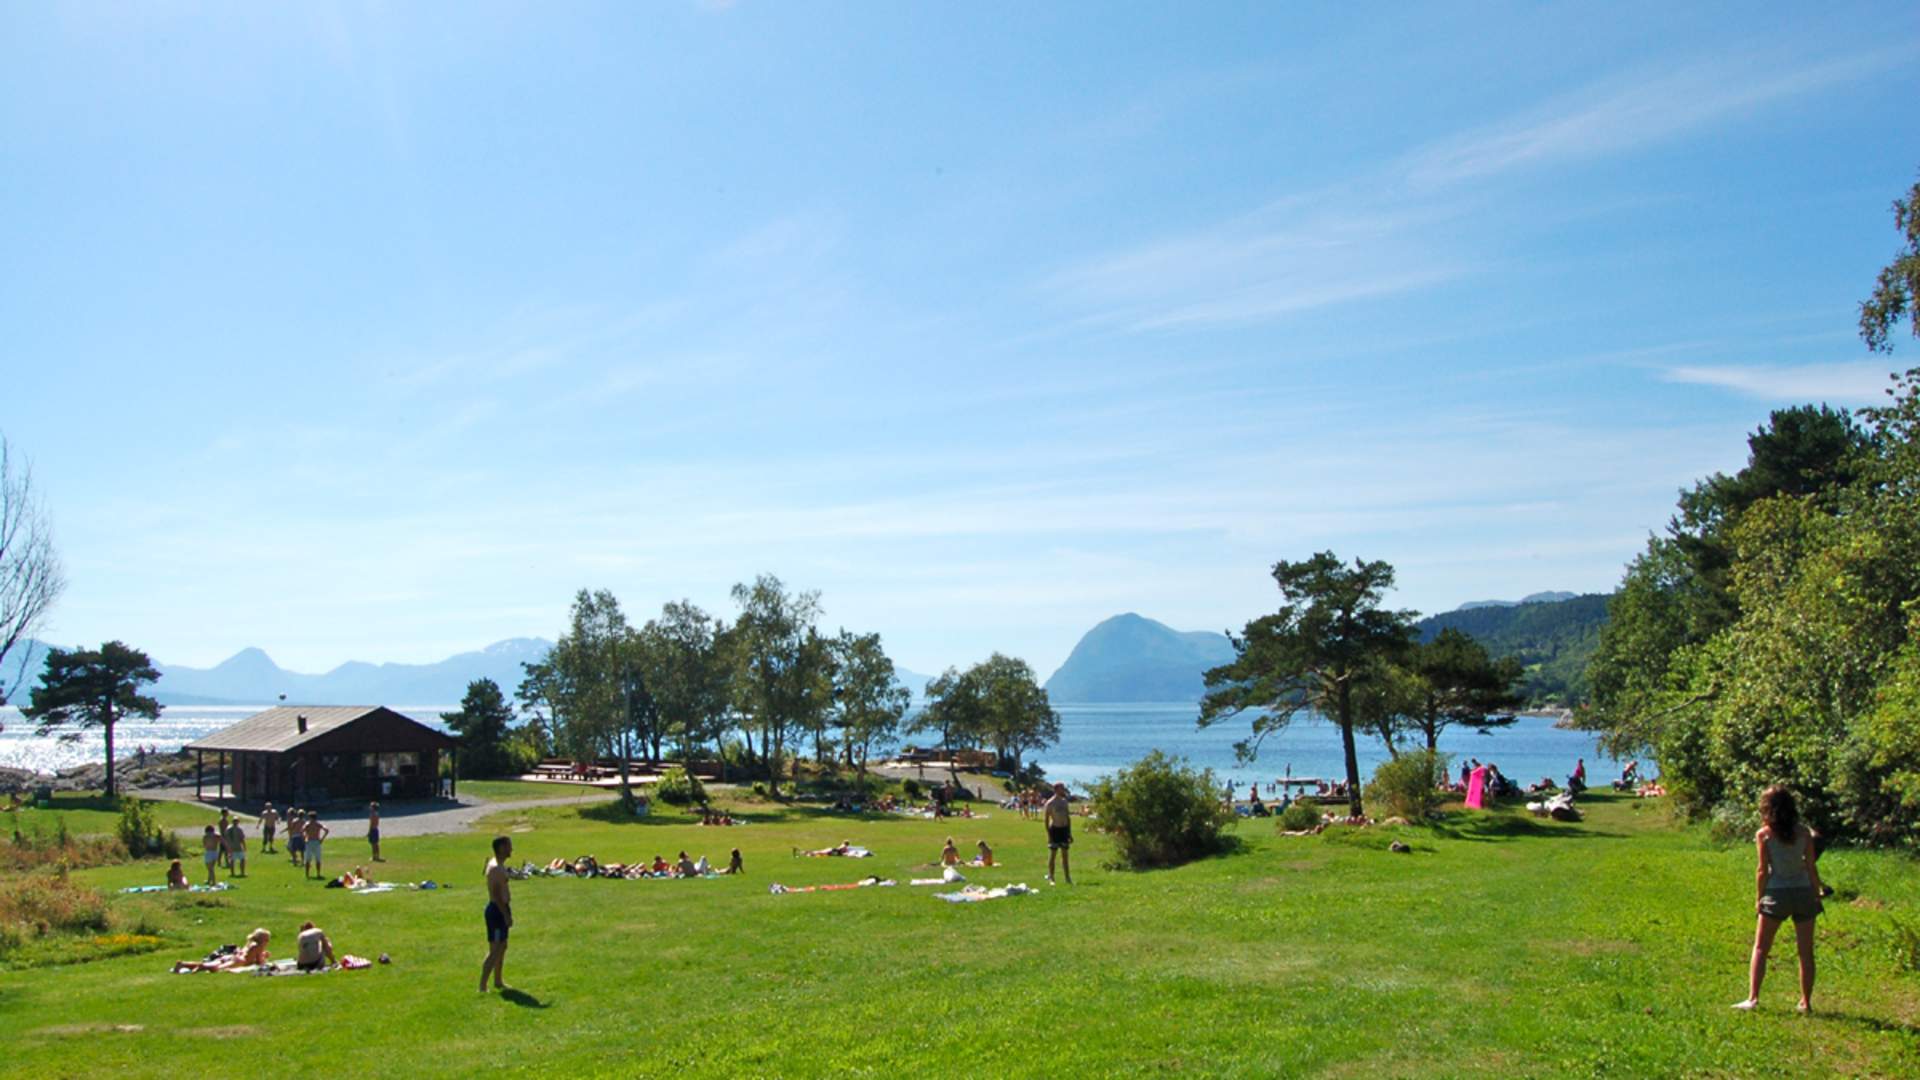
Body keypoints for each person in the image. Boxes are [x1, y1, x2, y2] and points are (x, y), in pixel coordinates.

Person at [1733, 786, 1824, 1013]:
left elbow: (1762, 870)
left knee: (1761, 948)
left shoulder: (1764, 835)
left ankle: (1753, 998)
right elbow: (1811, 867)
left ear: (1767, 809)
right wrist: (1817, 891)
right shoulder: (1805, 833)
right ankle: (1806, 1002)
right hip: (1803, 892)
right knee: (1805, 951)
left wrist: (1759, 898)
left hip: (1777, 893)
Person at [481, 835, 513, 993]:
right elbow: (496, 895)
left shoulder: (497, 865)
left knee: (502, 946)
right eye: (509, 846)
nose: (511, 849)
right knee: (495, 949)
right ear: (501, 848)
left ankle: (498, 981)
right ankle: (482, 986)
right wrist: (505, 914)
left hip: (500, 909)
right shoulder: (496, 868)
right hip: (497, 911)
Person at [1043, 782, 1073, 885]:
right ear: (1056, 790)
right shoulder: (1050, 803)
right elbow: (1046, 820)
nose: (1063, 790)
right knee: (1053, 854)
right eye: (1062, 788)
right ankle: (1051, 877)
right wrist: (1049, 834)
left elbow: (1067, 817)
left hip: (1064, 830)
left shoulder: (1064, 802)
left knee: (1065, 855)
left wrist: (1069, 832)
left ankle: (1067, 877)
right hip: (1055, 830)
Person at [303, 813, 331, 881]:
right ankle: (317, 874)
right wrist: (322, 839)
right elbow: (326, 830)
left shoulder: (308, 824)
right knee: (316, 859)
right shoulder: (318, 824)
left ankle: (308, 874)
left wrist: (305, 837)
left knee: (308, 859)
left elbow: (302, 831)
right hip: (316, 842)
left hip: (310, 842)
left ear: (310, 817)